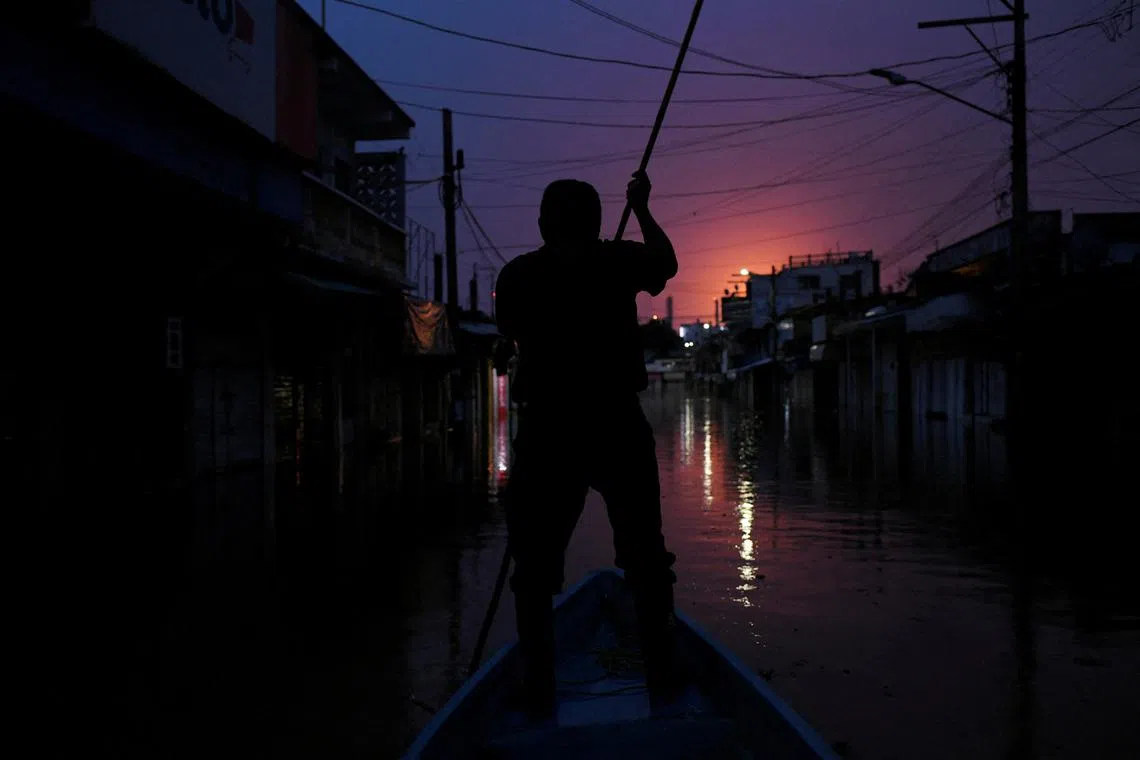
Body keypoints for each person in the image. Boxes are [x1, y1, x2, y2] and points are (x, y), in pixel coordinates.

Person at [494, 171, 680, 719]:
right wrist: (642, 208)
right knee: (646, 562)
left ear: (542, 224)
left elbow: (510, 326)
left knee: (533, 569)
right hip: (615, 426)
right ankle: (662, 681)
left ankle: (540, 689)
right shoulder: (618, 261)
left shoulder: (519, 275)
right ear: (597, 222)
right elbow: (665, 265)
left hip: (550, 433)